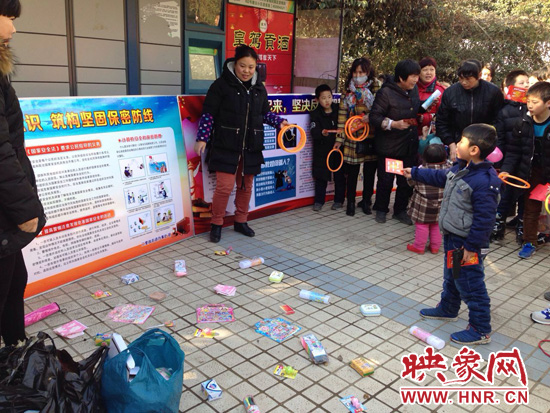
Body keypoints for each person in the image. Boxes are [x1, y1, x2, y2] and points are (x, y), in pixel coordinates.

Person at [403, 124, 501, 344]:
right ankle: (448, 308)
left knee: (470, 284)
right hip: (453, 237)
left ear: (474, 150)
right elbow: (440, 177)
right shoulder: (460, 168)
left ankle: (480, 329)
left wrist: (472, 247)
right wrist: (415, 172)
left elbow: (485, 220)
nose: (457, 145)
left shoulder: (485, 181)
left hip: (467, 243)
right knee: (452, 276)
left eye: (462, 141)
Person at [194, 45, 287, 243]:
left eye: (251, 67)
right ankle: (216, 223)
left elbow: (264, 113)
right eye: (242, 66)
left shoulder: (259, 88)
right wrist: (202, 137)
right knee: (224, 187)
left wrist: (279, 122)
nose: (246, 71)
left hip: (251, 146)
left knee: (246, 186)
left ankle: (241, 220)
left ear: (255, 67)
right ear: (235, 64)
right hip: (226, 145)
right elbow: (209, 113)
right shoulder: (221, 85)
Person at [0, 0, 45, 347]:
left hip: (6, 209)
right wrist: (25, 209)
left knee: (15, 280)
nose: (14, 28)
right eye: (8, 17)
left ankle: (14, 350)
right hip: (6, 208)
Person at [370, 59, 421, 224]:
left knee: (405, 181)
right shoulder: (385, 93)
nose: (416, 80)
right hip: (390, 146)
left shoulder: (413, 90)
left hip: (409, 144)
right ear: (401, 77)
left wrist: (425, 107)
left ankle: (400, 211)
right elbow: (374, 117)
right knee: (386, 180)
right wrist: (393, 124)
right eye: (413, 76)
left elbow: (414, 109)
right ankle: (381, 209)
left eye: (417, 76)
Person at [334, 57, 380, 216]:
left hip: (372, 135)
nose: (358, 75)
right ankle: (351, 203)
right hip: (352, 135)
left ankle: (367, 201)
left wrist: (371, 117)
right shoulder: (348, 90)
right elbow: (342, 116)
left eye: (361, 72)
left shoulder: (377, 88)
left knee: (370, 171)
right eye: (355, 72)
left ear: (368, 72)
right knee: (352, 172)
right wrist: (339, 140)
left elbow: (382, 109)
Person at [436, 59, 504, 161]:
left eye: (468, 79)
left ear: (479, 75)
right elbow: (442, 121)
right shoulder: (450, 93)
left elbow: (499, 121)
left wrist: (491, 143)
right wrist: (451, 143)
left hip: (484, 145)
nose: (464, 82)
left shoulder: (493, 92)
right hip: (458, 142)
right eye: (461, 78)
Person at [491, 69, 530, 242]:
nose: (526, 86)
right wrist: (499, 161)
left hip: (528, 159)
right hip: (508, 158)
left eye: (528, 82)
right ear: (511, 87)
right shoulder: (503, 110)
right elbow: (499, 137)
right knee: (505, 193)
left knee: (524, 195)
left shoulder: (532, 108)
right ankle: (498, 225)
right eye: (522, 83)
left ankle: (522, 226)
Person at [514, 82, 550, 259]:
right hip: (533, 172)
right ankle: (529, 242)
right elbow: (515, 151)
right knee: (531, 208)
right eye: (528, 101)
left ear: (548, 103)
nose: (530, 105)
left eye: (535, 102)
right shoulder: (524, 122)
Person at [406, 144, 447, 254]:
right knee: (437, 225)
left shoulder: (420, 170)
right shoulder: (448, 170)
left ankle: (419, 247)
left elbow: (411, 183)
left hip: (423, 206)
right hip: (441, 205)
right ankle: (435, 247)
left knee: (422, 225)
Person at [309, 84, 340, 211]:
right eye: (323, 98)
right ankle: (319, 201)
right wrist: (321, 133)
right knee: (321, 176)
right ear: (317, 99)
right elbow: (313, 131)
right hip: (322, 149)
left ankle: (339, 200)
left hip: (337, 148)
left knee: (339, 175)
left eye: (329, 97)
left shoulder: (339, 110)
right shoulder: (315, 113)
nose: (327, 100)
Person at [416, 57, 445, 134]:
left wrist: (425, 118)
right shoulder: (412, 88)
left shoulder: (441, 90)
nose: (428, 73)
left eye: (432, 69)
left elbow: (443, 115)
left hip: (432, 134)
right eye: (425, 70)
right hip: (412, 133)